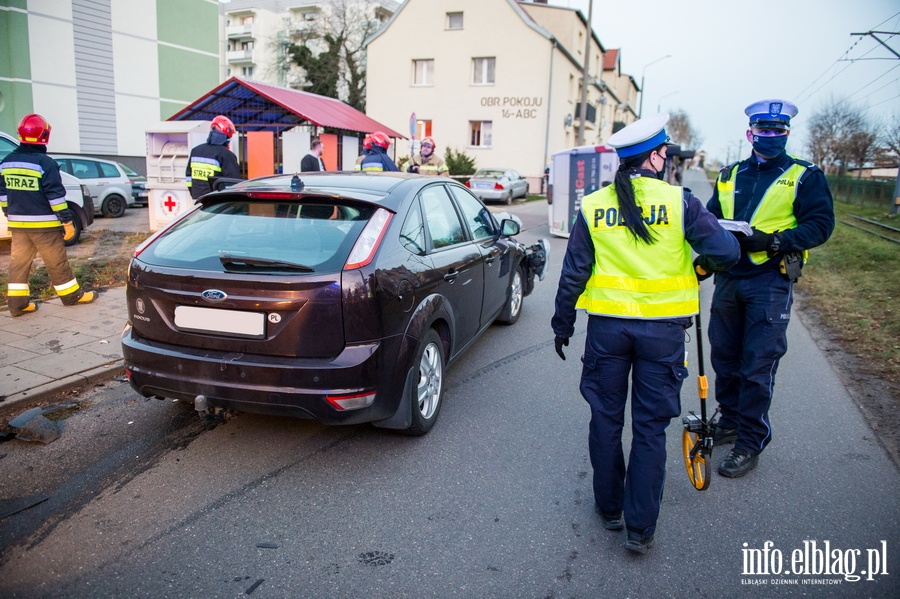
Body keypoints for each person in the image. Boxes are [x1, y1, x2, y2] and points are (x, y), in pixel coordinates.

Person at [551, 113, 740, 555]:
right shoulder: (681, 203)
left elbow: (574, 271)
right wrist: (700, 267)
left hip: (607, 333)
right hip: (662, 335)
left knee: (605, 419)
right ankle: (640, 528)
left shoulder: (595, 206)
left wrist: (563, 323)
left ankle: (610, 509)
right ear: (655, 158)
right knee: (651, 429)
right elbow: (727, 252)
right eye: (665, 153)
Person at [706, 99, 835, 478]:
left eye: (779, 131)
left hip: (770, 280)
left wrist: (776, 241)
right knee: (725, 361)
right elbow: (711, 219)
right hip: (729, 278)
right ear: (750, 133)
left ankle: (750, 442)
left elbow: (821, 225)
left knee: (757, 365)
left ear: (787, 134)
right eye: (764, 130)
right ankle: (730, 421)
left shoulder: (805, 175)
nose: (771, 136)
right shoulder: (729, 174)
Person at [0, 114, 95, 316]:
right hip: (44, 226)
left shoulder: (6, 162)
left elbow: (2, 193)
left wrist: (9, 213)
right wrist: (67, 221)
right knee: (56, 262)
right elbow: (56, 197)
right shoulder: (46, 163)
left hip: (18, 226)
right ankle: (72, 297)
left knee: (18, 264)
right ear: (44, 136)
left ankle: (17, 305)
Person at [186, 115, 241, 201]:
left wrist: (194, 194)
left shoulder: (195, 151)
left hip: (197, 201)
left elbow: (189, 178)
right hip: (217, 202)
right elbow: (235, 183)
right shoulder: (226, 154)